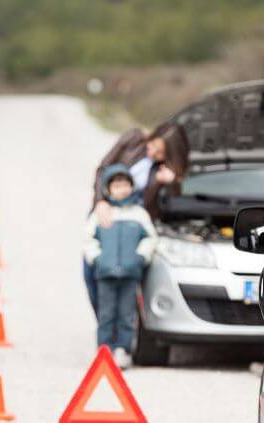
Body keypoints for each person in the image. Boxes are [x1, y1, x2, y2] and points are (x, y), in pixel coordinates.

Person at [83, 122, 188, 314]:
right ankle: (107, 329)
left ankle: (121, 336)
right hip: (104, 217)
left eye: (160, 153)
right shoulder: (133, 138)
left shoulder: (166, 172)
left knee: (124, 288)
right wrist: (100, 201)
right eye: (152, 146)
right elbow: (103, 169)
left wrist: (168, 183)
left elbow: (162, 207)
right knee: (91, 276)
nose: (152, 153)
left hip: (131, 230)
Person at [84, 164, 158, 369]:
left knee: (127, 313)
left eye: (125, 185)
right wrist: (98, 258)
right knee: (106, 313)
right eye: (117, 186)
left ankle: (122, 350)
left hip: (130, 273)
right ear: (109, 190)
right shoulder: (101, 214)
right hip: (105, 273)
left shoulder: (139, 214)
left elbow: (150, 238)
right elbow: (89, 239)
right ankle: (104, 350)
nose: (122, 189)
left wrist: (140, 257)